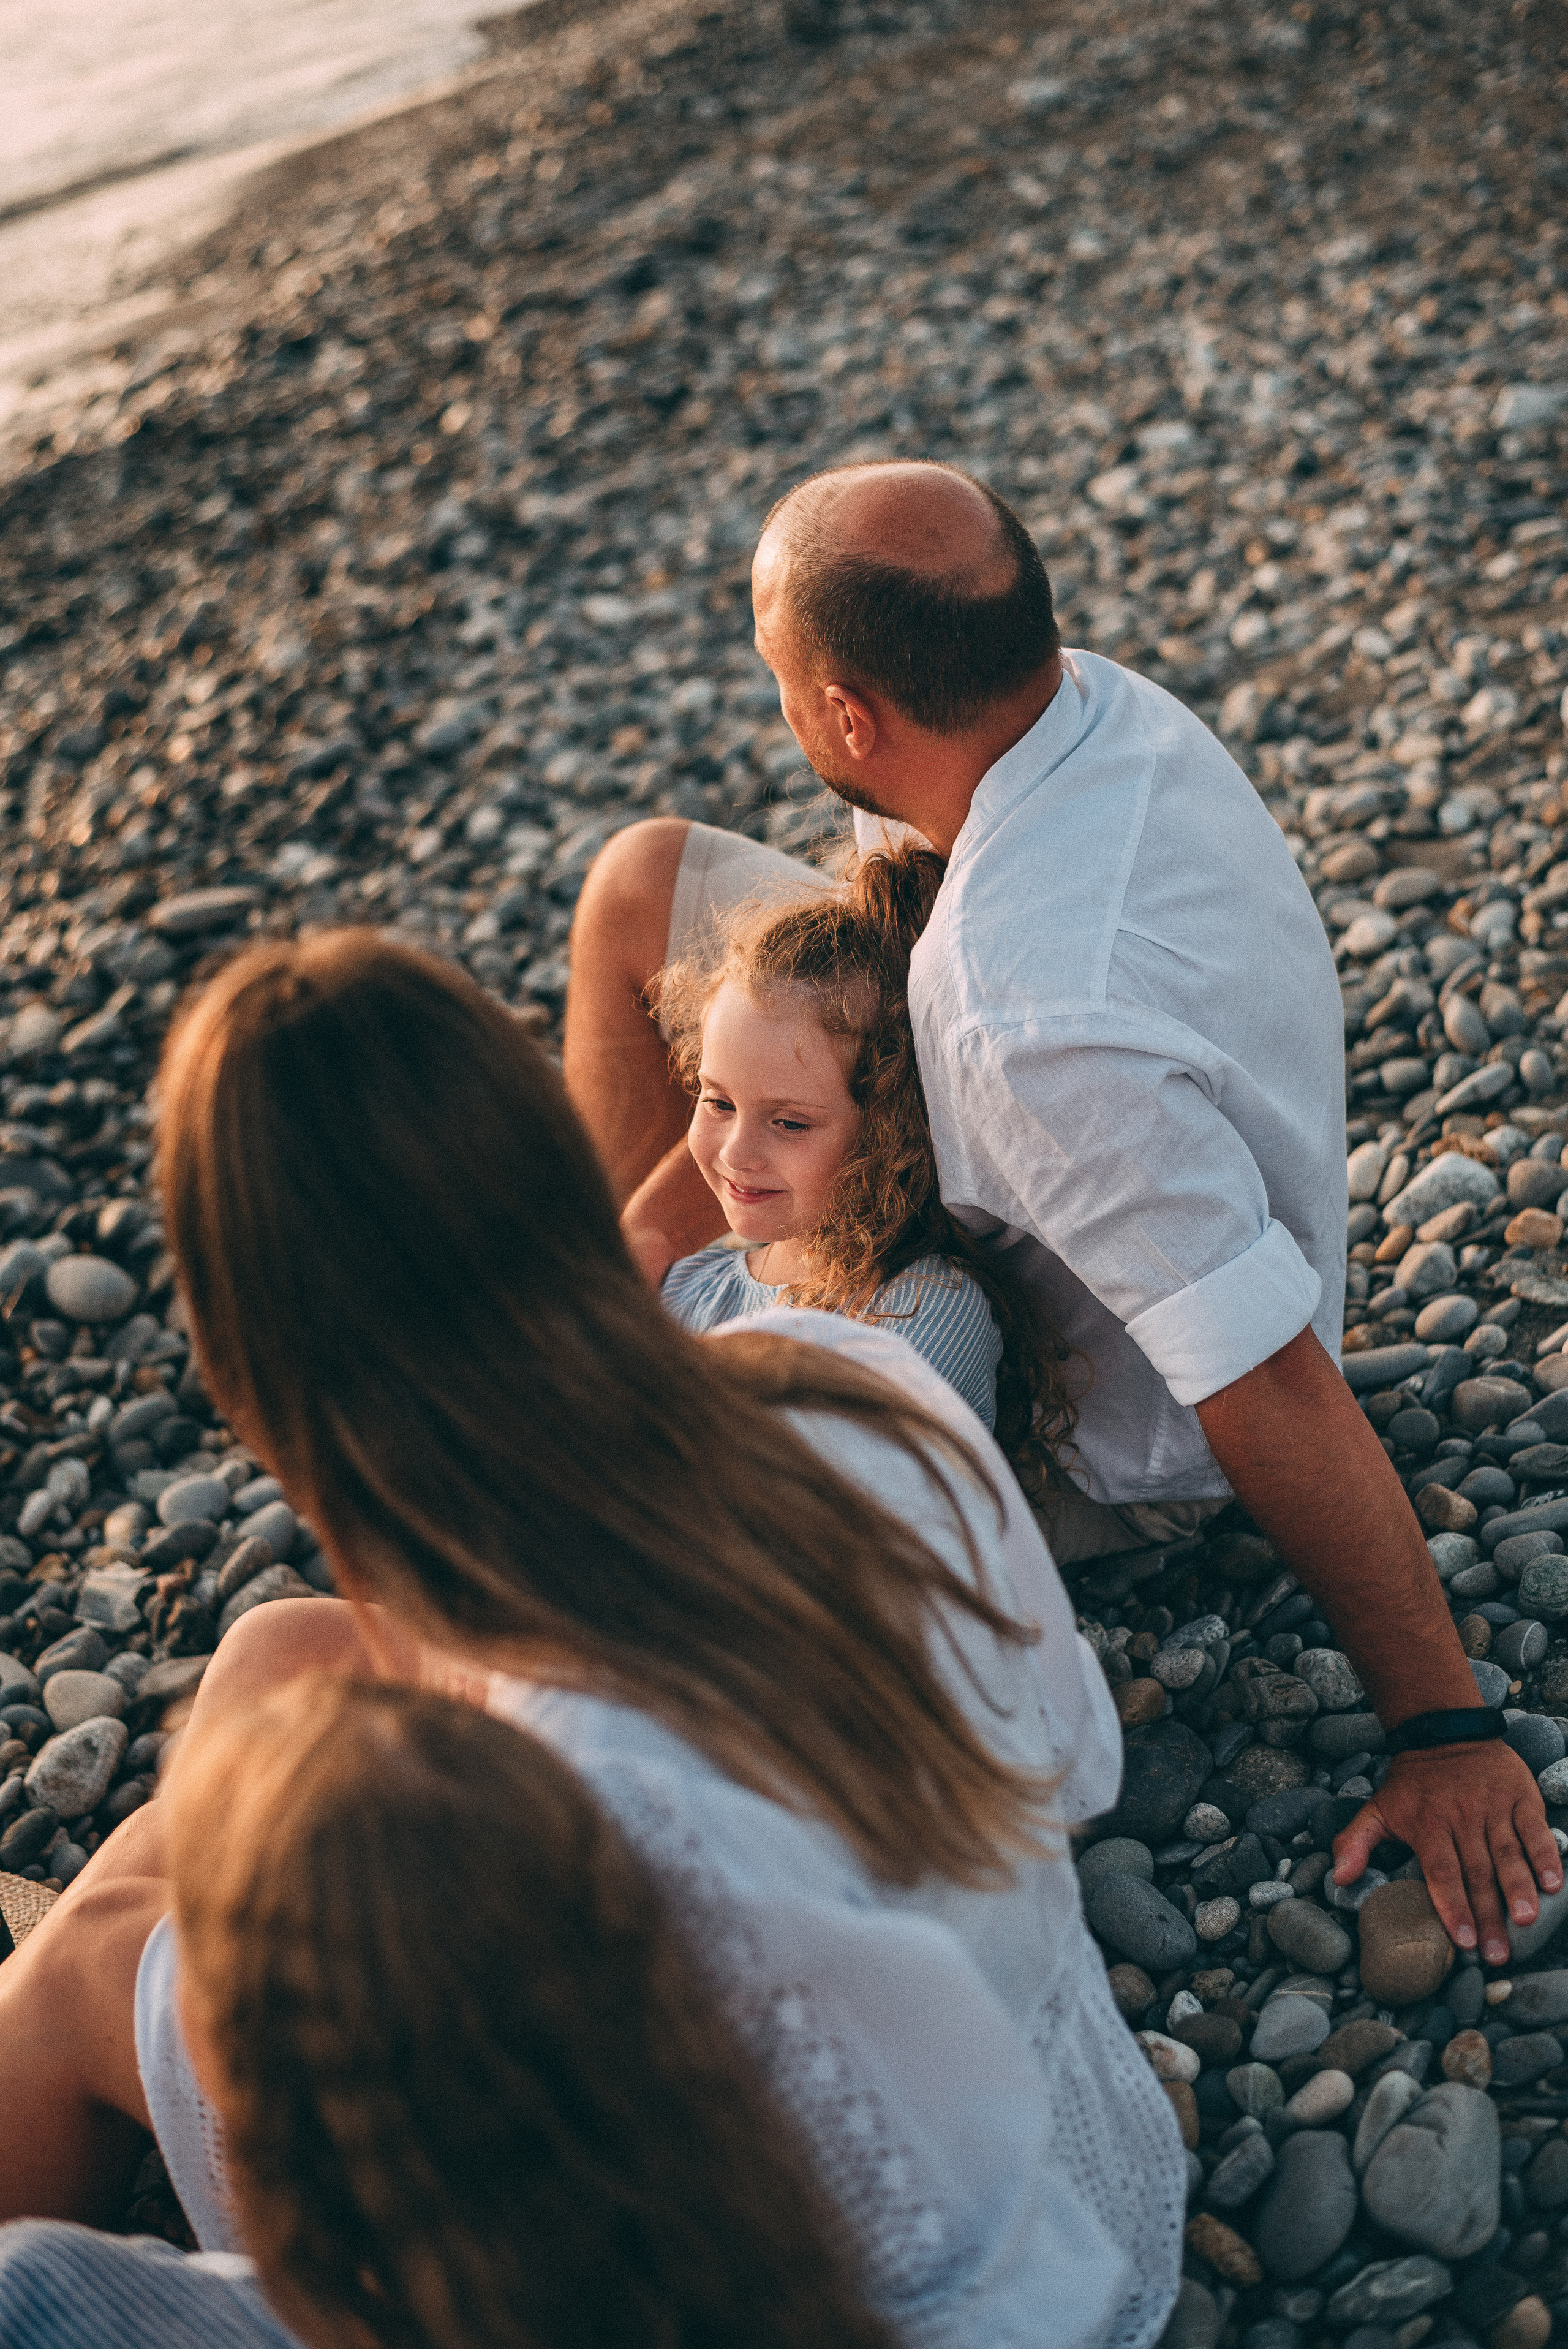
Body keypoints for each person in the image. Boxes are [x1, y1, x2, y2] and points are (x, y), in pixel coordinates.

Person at [0, 931, 1183, 2349]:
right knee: (276, 1657)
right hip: (1068, 2150)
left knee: (85, 1973)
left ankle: (68, 2022)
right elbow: (1070, 1757)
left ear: (261, 1371)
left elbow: (572, 2251)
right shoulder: (847, 1371)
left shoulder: (565, 1784)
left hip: (863, 2295)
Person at [562, 456, 1560, 1969]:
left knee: (686, 1506)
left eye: (776, 676)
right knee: (645, 882)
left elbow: (1262, 1372)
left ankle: (597, 1406)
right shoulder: (1077, 703)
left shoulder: (1024, 1023)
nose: (772, 706)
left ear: (845, 719)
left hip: (1084, 1415)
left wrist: (1442, 1720)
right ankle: (615, 1296)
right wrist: (704, 1177)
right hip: (1041, 1110)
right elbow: (910, 928)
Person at [0, 1678, 902, 2349]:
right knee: (148, 1850)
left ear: (267, 2113)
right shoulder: (792, 2224)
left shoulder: (40, 2286)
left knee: (95, 1944)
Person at [657, 839, 1077, 1486]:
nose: (735, 1153)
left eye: (789, 1123)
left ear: (893, 1133)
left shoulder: (924, 1309)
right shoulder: (689, 1288)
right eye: (717, 1101)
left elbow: (813, 1520)